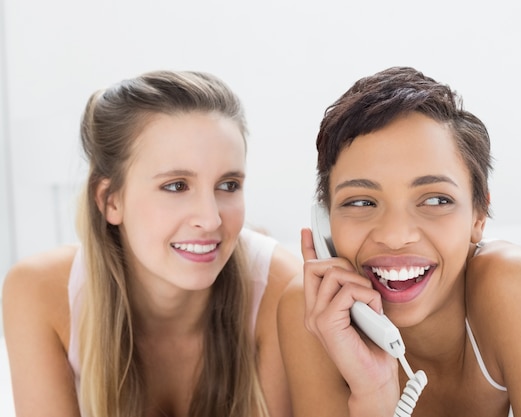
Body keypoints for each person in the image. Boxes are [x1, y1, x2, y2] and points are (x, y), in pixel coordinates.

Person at [277, 66, 521, 417]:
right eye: (362, 202)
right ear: (325, 221)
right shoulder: (310, 312)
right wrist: (374, 394)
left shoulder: (519, 286)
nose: (396, 237)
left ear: (478, 216)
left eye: (435, 200)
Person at [2, 70, 301, 417]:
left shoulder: (282, 289)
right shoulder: (38, 291)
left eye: (229, 185)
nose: (211, 219)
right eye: (176, 186)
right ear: (110, 199)